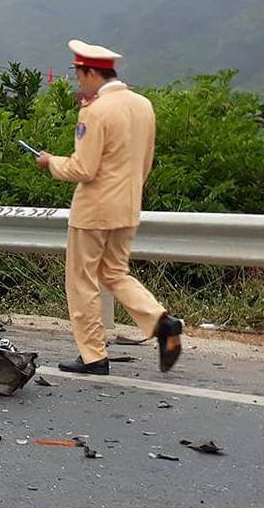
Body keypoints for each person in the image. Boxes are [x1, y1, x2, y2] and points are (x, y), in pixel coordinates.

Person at [34, 39, 183, 374]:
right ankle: (161, 322)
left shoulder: (95, 110)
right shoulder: (143, 104)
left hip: (94, 208)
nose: (78, 82)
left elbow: (83, 169)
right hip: (128, 204)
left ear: (90, 73)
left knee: (81, 280)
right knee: (115, 272)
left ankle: (93, 355)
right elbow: (145, 161)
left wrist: (50, 162)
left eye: (79, 75)